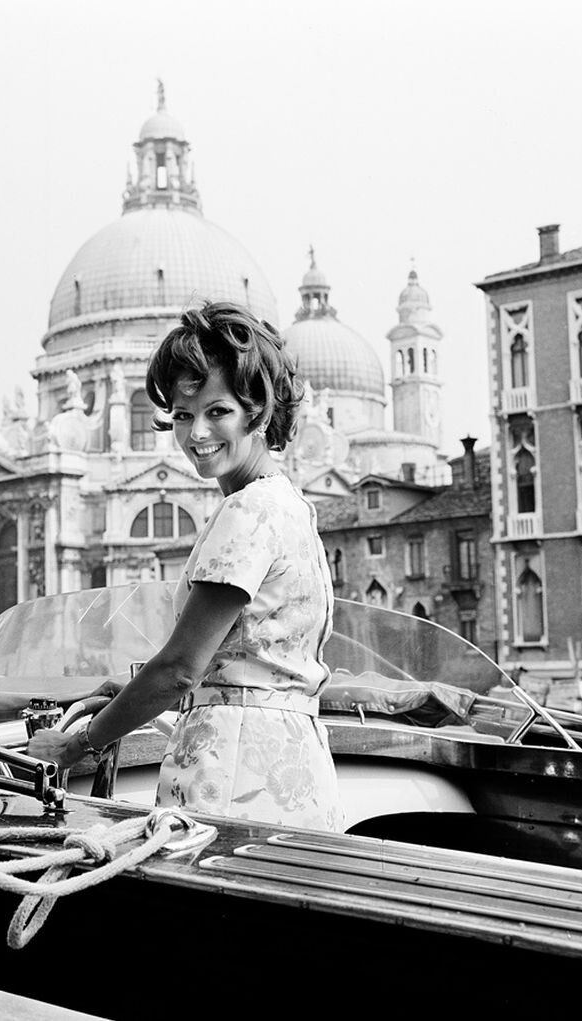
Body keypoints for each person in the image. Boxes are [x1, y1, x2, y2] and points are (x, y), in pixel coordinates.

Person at [28, 301, 344, 831]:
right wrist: (130, 698)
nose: (196, 433)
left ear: (258, 410)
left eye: (217, 411)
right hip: (293, 768)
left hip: (232, 774)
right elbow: (248, 668)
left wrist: (74, 744)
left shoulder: (246, 511)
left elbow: (179, 670)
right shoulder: (289, 504)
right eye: (182, 415)